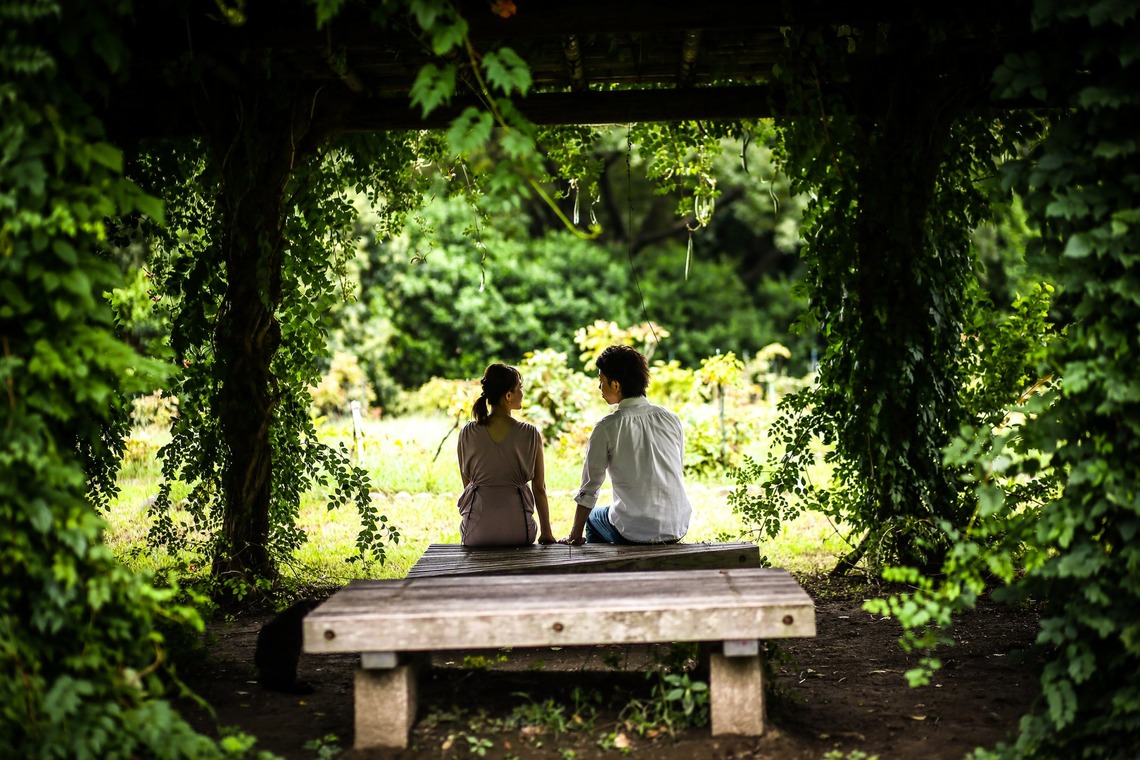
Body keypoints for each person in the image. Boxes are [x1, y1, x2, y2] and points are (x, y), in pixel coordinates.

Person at [561, 345, 691, 545]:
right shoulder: (671, 419)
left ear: (615, 385)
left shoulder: (607, 427)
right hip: (676, 524)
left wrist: (574, 536)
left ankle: (605, 571)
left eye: (601, 381)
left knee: (594, 517)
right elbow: (677, 468)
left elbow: (590, 488)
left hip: (634, 530)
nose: (599, 387)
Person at [457, 363, 557, 546]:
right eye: (520, 388)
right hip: (520, 533)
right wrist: (547, 533)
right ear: (508, 396)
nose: (522, 393)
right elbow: (539, 488)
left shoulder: (466, 433)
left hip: (475, 534)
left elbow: (468, 485)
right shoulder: (530, 434)